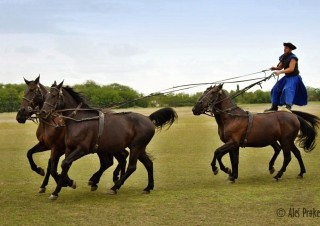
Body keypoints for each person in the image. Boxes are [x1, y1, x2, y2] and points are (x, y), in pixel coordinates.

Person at [265, 42, 308, 112]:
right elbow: (280, 67)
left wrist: (280, 72)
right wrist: (275, 68)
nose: (284, 49)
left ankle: (288, 106)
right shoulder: (284, 57)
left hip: (293, 77)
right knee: (275, 89)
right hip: (286, 77)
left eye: (286, 48)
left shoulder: (293, 58)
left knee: (288, 89)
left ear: (290, 49)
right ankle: (274, 106)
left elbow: (291, 69)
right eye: (284, 48)